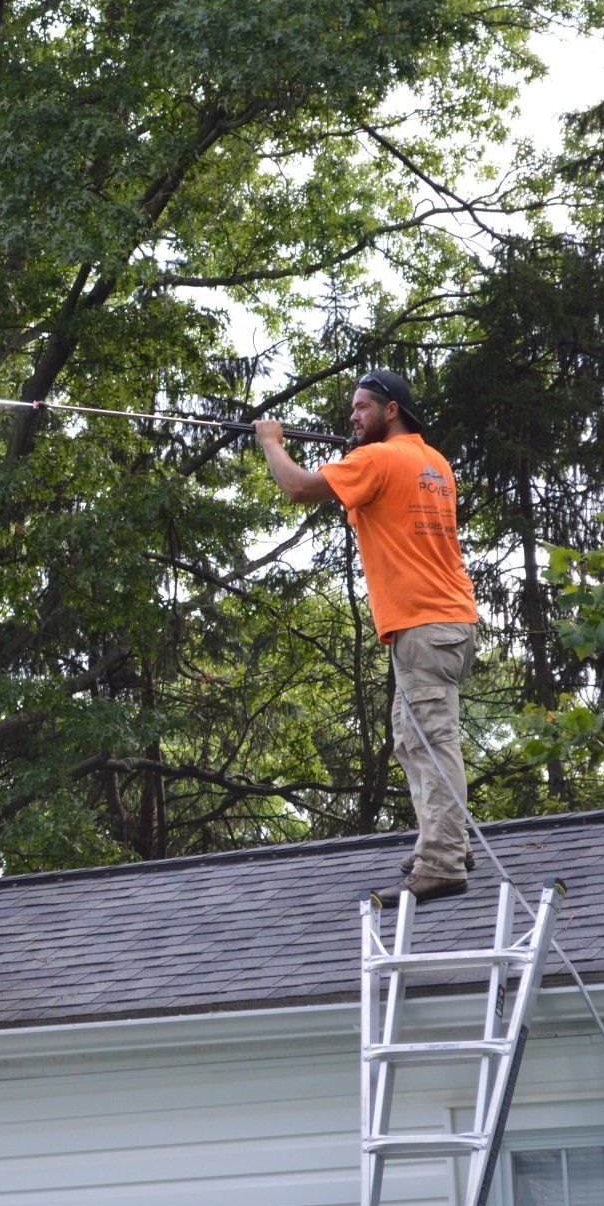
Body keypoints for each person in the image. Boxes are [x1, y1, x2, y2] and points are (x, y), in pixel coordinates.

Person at [254, 370, 481, 905]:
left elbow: (299, 487)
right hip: (445, 620)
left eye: (361, 408)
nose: (352, 417)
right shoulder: (433, 462)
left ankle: (444, 862)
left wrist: (270, 442)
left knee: (430, 737)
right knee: (412, 736)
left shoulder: (378, 459)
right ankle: (445, 838)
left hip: (424, 622)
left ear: (391, 411)